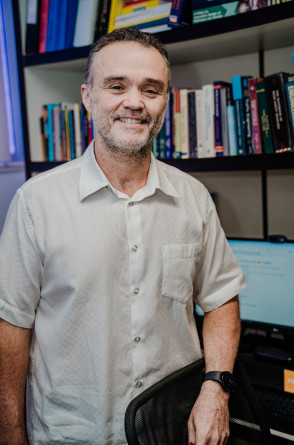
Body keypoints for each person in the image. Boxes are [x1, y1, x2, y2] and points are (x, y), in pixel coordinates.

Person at [0, 28, 246, 445]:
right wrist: (10, 435)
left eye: (151, 89)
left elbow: (221, 298)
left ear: (166, 101)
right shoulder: (34, 203)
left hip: (170, 429)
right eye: (117, 86)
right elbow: (11, 330)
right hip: (71, 434)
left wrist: (215, 388)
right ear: (87, 96)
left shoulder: (193, 198)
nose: (135, 102)